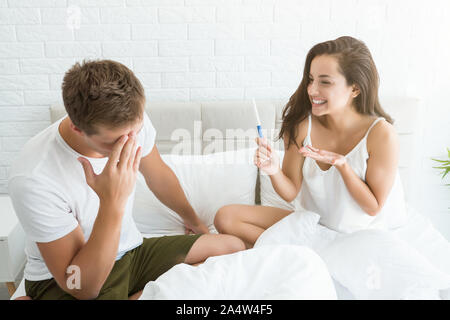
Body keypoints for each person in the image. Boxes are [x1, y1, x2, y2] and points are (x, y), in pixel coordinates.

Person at [8, 60, 245, 300]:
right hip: (69, 278)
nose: (129, 143)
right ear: (77, 127)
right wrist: (112, 202)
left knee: (232, 248)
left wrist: (195, 222)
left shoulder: (129, 122)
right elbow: (81, 285)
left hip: (129, 254)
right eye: (114, 141)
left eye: (136, 130)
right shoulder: (34, 177)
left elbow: (159, 176)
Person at [214, 36, 407, 249]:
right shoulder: (302, 125)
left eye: (325, 82)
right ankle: (297, 250)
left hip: (354, 236)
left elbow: (372, 207)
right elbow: (291, 192)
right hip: (309, 226)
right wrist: (273, 170)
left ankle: (291, 251)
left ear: (355, 89)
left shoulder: (381, 134)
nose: (312, 90)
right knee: (226, 217)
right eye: (311, 79)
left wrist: (342, 165)